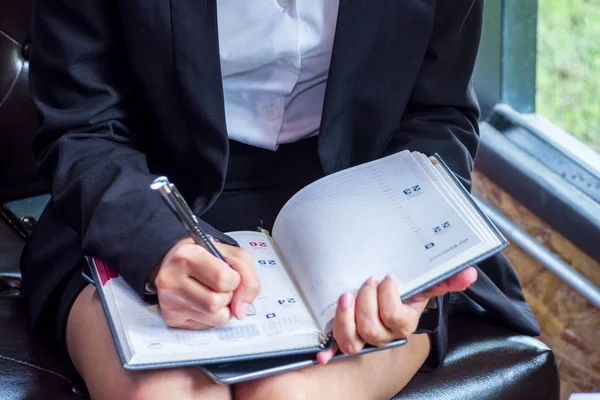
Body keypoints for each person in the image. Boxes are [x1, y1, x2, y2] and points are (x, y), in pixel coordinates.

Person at [20, 0, 540, 399]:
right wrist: (155, 246)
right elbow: (83, 129)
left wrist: (405, 254)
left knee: (288, 394)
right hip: (143, 195)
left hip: (361, 201)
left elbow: (438, 115)